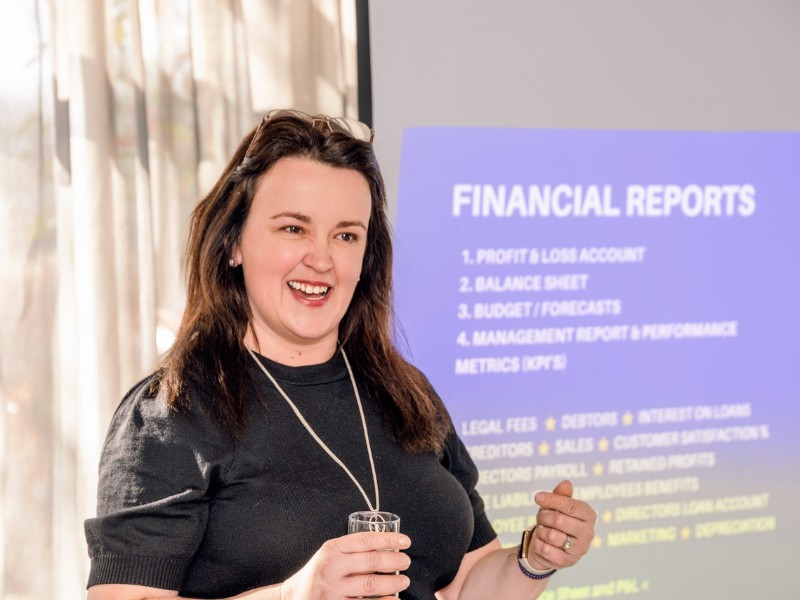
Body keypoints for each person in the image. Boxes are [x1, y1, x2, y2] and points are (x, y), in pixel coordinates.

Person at [85, 110, 597, 600]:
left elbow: (464, 584)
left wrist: (534, 558)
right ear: (233, 244)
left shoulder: (405, 392)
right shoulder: (170, 413)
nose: (322, 258)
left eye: (346, 235)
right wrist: (290, 596)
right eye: (293, 228)